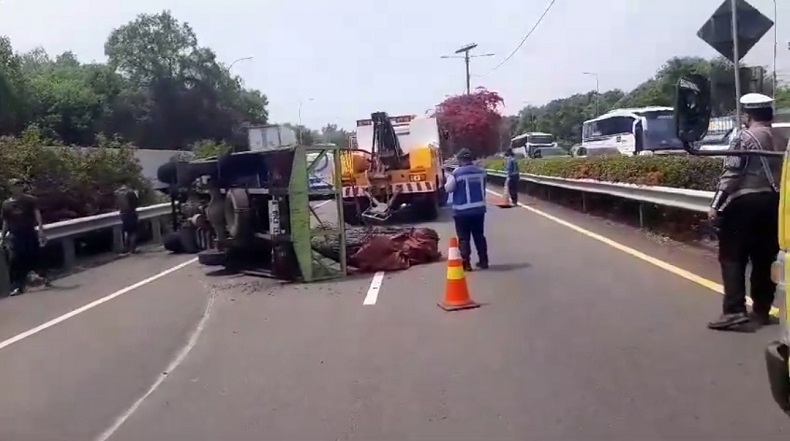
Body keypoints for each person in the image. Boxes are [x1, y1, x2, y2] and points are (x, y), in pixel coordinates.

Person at [707, 93, 788, 331]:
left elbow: (731, 174)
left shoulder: (744, 137)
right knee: (765, 258)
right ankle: (761, 310)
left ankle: (734, 311)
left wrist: (716, 205)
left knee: (732, 257)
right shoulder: (783, 138)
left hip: (745, 203)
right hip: (775, 203)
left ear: (747, 115)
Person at [0, 179, 50, 296]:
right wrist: (3, 237)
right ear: (11, 188)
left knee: (35, 256)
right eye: (15, 186)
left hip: (29, 233)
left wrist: (41, 231)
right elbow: (6, 221)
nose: (18, 188)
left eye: (20, 185)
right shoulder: (6, 204)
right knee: (15, 260)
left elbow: (37, 215)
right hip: (15, 236)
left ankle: (43, 278)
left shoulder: (30, 200)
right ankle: (17, 286)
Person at [444, 148, 488, 271]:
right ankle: (484, 261)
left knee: (464, 238)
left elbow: (448, 189)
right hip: (479, 210)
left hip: (462, 212)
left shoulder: (457, 173)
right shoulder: (481, 172)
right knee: (479, 236)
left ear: (460, 160)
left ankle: (466, 264)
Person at [116, 185, 140, 254]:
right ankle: (132, 249)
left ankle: (126, 248)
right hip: (131, 213)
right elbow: (135, 203)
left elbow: (117, 204)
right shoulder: (130, 192)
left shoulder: (118, 193)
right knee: (133, 232)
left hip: (123, 214)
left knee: (128, 232)